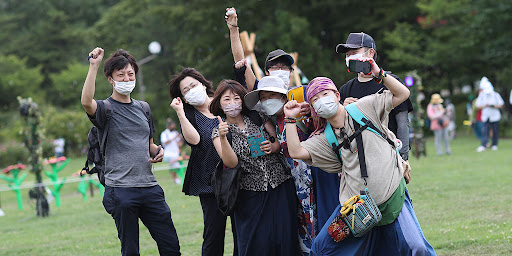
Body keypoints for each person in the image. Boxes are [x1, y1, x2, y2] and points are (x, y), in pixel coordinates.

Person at [226, 8, 341, 254]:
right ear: (267, 72)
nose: (281, 70)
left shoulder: (306, 93)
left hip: (318, 169)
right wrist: (234, 29)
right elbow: (241, 65)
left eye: (285, 67)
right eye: (275, 66)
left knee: (327, 218)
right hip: (290, 175)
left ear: (291, 71)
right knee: (301, 224)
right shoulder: (264, 97)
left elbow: (333, 109)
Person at [284, 76, 436, 256]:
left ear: (337, 95)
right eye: (315, 99)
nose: (321, 100)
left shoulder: (364, 107)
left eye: (325, 94)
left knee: (415, 248)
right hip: (357, 207)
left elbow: (402, 93)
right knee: (322, 249)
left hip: (391, 194)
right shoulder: (325, 138)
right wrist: (290, 119)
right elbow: (296, 151)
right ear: (314, 108)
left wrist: (380, 73)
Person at [81, 48, 180, 256]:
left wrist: (157, 151)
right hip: (121, 190)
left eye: (130, 74)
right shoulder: (104, 109)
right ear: (110, 79)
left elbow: (149, 143)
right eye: (121, 75)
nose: (127, 78)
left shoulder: (144, 108)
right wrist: (93, 67)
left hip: (150, 187)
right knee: (130, 250)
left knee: (171, 245)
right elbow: (86, 102)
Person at [210, 79, 298, 256]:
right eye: (227, 99)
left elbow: (278, 142)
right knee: (257, 243)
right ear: (219, 103)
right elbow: (231, 163)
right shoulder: (217, 132)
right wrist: (223, 137)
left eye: (236, 98)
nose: (232, 103)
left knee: (285, 237)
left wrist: (272, 147)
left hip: (280, 184)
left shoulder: (258, 117)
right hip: (250, 193)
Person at [169, 68, 237, 256]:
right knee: (213, 233)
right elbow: (194, 140)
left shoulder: (224, 104)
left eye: (194, 85)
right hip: (209, 181)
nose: (192, 90)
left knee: (241, 229)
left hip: (238, 176)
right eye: (186, 90)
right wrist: (180, 113)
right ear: (182, 97)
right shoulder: (189, 115)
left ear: (203, 84)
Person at [336, 32, 412, 183]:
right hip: (359, 161)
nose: (349, 57)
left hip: (389, 156)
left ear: (370, 53)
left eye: (354, 52)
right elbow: (339, 129)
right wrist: (343, 111)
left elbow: (403, 123)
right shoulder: (345, 90)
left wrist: (403, 158)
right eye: (347, 54)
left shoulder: (391, 82)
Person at [475, 77, 504, 152]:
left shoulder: (495, 95)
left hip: (494, 115)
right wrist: (485, 105)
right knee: (484, 131)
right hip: (486, 115)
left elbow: (501, 104)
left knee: (495, 130)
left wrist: (494, 106)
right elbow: (477, 105)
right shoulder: (482, 95)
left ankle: (494, 144)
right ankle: (484, 145)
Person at [161, 118, 182, 184]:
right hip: (169, 153)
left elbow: (179, 143)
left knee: (176, 166)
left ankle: (175, 179)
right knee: (176, 166)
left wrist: (181, 137)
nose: (174, 127)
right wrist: (174, 138)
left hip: (175, 153)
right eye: (172, 125)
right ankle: (175, 179)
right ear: (169, 126)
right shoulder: (164, 133)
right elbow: (165, 142)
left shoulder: (175, 133)